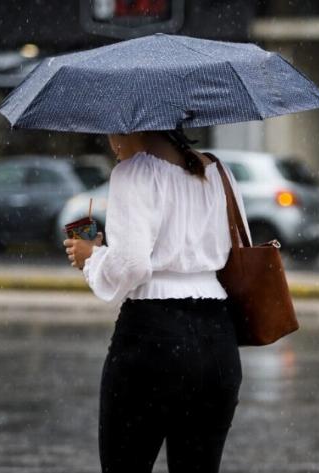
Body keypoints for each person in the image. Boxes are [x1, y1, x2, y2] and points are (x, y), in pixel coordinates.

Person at [63, 130, 249, 473]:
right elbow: (235, 246)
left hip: (153, 337)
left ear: (127, 127)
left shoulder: (134, 173)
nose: (108, 140)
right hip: (216, 338)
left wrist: (92, 258)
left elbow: (133, 265)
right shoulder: (218, 172)